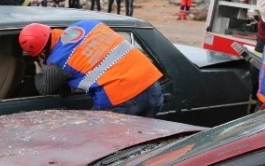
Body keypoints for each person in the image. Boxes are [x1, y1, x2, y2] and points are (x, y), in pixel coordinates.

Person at [18, 21, 164, 117]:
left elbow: (45, 88)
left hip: (121, 98)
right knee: (142, 145)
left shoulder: (57, 62)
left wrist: (38, 68)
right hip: (151, 85)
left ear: (42, 53)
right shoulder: (85, 25)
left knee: (100, 146)